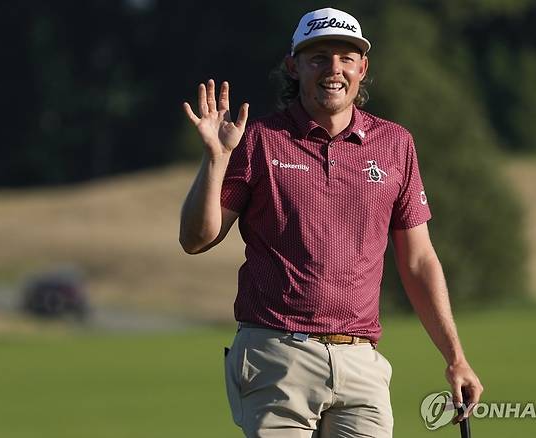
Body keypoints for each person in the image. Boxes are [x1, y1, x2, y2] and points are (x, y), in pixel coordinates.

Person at [179, 7, 483, 437]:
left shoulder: (396, 144)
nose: (333, 70)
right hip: (275, 355)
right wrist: (215, 160)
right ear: (294, 66)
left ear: (363, 66)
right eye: (318, 57)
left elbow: (418, 262)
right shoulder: (260, 140)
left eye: (345, 57)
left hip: (361, 362)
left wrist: (456, 357)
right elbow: (196, 239)